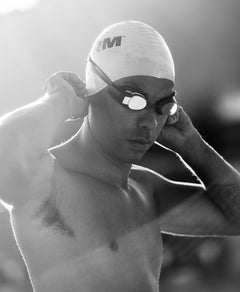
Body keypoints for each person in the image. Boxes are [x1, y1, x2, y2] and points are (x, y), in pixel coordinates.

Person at [0, 20, 240, 292]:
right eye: (133, 99)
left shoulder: (146, 192)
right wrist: (57, 100)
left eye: (162, 106)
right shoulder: (46, 182)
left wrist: (191, 143)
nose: (149, 122)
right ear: (93, 90)